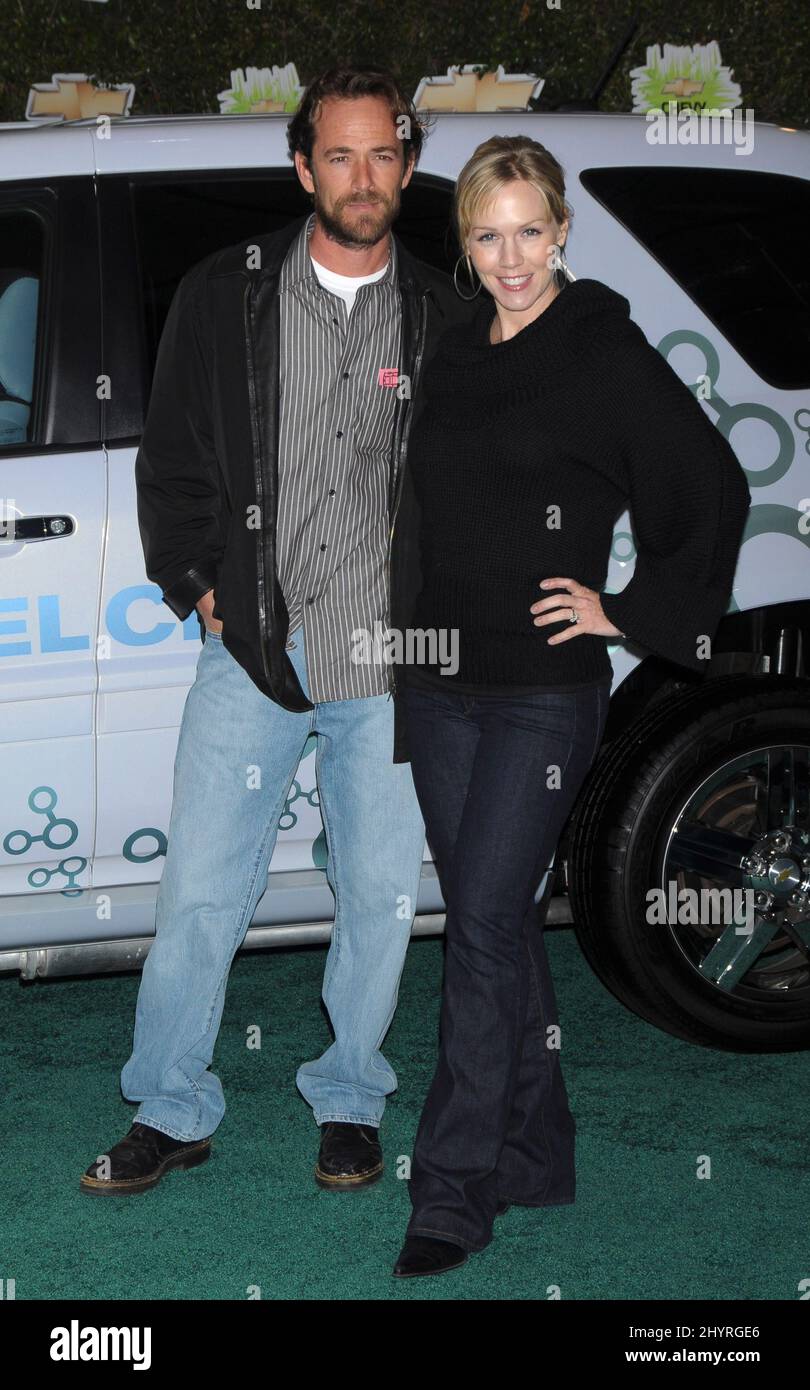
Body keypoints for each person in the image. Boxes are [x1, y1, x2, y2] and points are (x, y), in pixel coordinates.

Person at [80, 68, 477, 1197]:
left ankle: (350, 1096)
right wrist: (200, 581)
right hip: (256, 645)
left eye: (384, 154)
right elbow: (172, 460)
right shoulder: (229, 294)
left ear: (407, 164)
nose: (364, 178)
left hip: (390, 659)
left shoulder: (444, 315)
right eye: (339, 156)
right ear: (304, 169)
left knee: (380, 889)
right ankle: (171, 1104)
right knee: (200, 885)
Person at [391, 135, 752, 1277]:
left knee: (484, 923)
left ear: (561, 233)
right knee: (497, 928)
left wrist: (627, 611)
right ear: (467, 242)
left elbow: (710, 485)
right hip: (444, 681)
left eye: (529, 232)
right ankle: (539, 1150)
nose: (510, 257)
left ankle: (453, 1187)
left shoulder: (601, 347)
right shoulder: (448, 350)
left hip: (544, 694)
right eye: (487, 235)